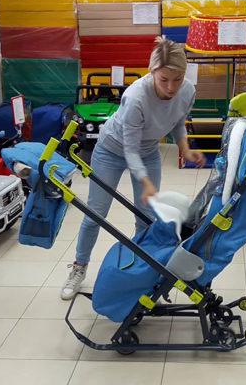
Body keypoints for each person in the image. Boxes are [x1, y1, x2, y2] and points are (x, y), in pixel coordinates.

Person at [61, 36, 206, 300]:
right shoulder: (136, 97)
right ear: (152, 73)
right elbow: (129, 149)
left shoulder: (187, 90)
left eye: (177, 79)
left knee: (146, 218)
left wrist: (184, 148)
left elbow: (176, 121)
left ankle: (141, 271)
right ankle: (79, 268)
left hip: (148, 152)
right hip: (111, 151)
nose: (171, 87)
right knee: (96, 213)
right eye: (164, 80)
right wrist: (145, 181)